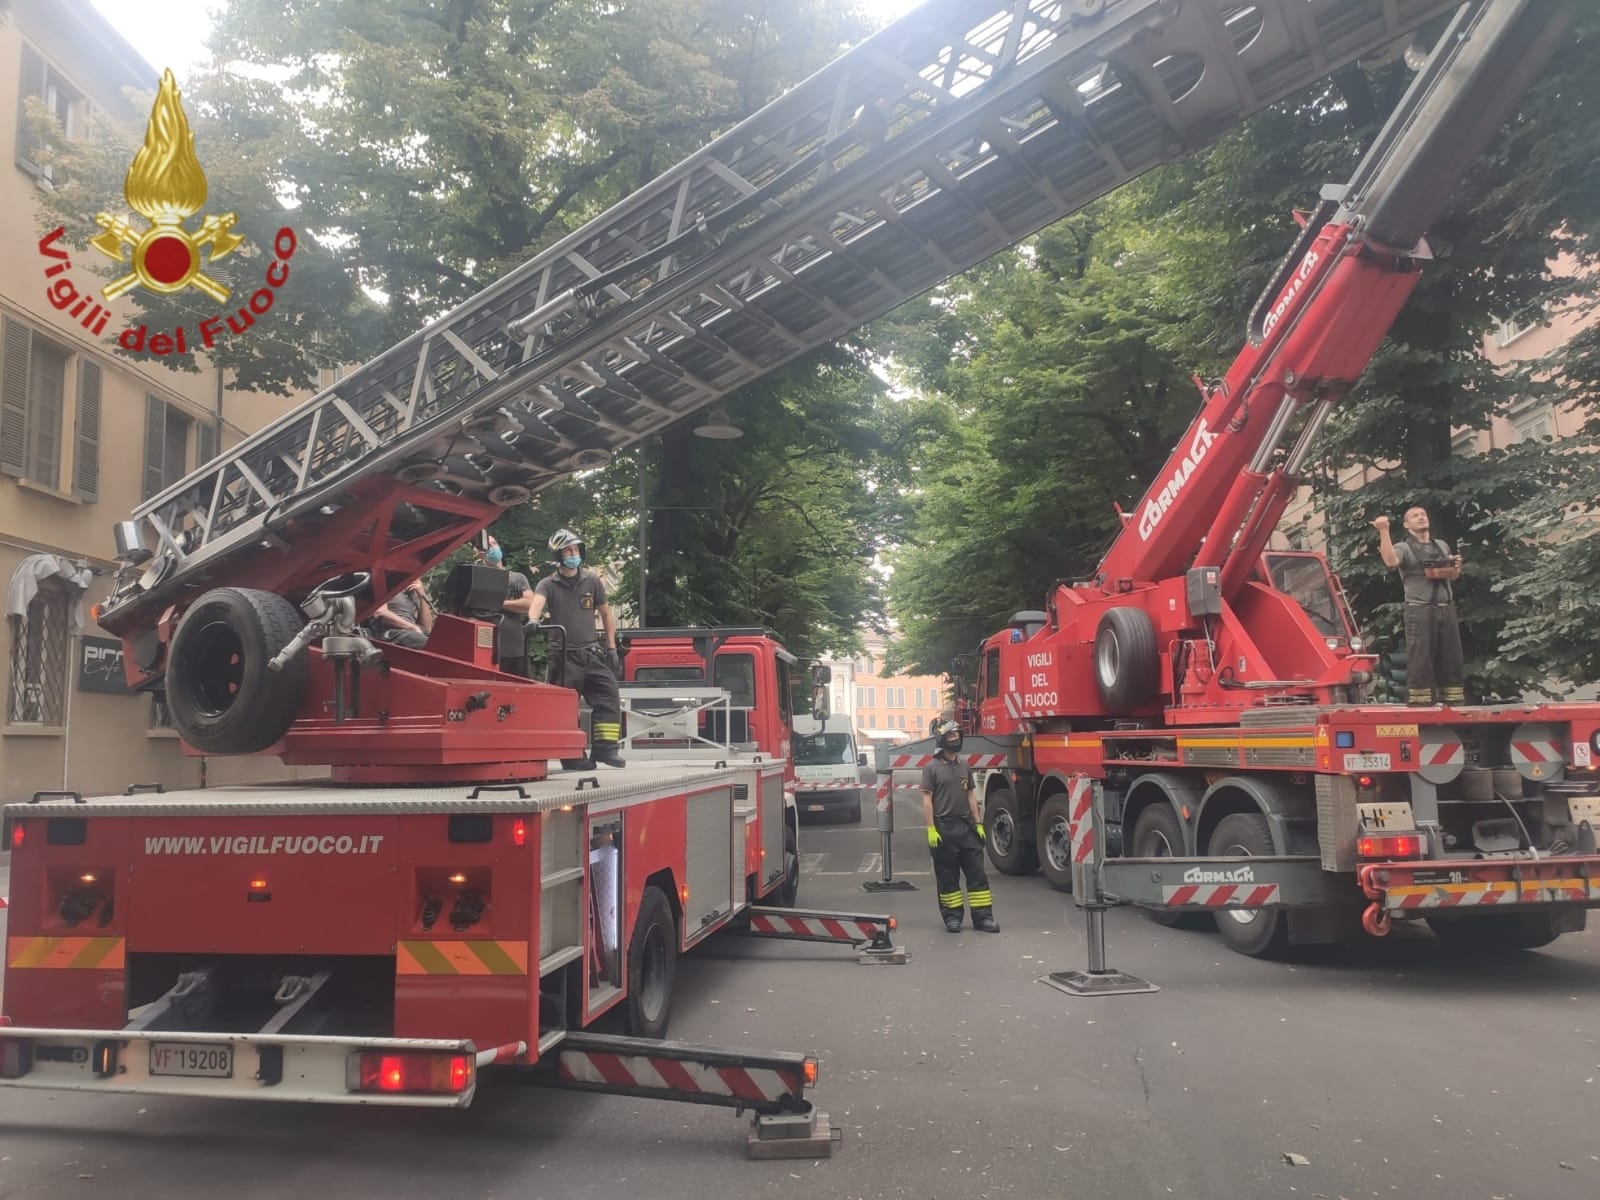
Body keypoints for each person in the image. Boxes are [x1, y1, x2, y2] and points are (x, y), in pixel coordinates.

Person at [527, 527, 625, 768]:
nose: (573, 553)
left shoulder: (591, 580)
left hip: (591, 653)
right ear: (558, 556)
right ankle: (571, 757)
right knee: (566, 709)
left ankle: (605, 750)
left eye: (575, 549)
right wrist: (532, 620)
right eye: (568, 550)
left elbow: (605, 612)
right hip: (563, 657)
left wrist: (611, 647)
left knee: (609, 695)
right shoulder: (547, 583)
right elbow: (536, 603)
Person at [1373, 506, 1465, 706]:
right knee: (1421, 659)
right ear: (1407, 525)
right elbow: (1390, 561)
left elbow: (1453, 576)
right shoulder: (1404, 548)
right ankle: (1421, 704)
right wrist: (1384, 531)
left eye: (1423, 514)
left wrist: (1456, 567)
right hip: (1419, 610)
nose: (1421, 517)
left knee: (1452, 658)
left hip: (1446, 609)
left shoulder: (1441, 545)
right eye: (1415, 516)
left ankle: (1453, 703)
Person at [920, 719, 998, 934]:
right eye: (951, 736)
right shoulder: (931, 768)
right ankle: (952, 917)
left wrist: (979, 824)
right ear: (942, 740)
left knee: (977, 875)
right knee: (947, 877)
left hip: (966, 827)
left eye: (957, 736)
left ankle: (983, 919)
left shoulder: (964, 766)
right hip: (944, 828)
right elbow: (927, 799)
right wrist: (931, 829)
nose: (956, 739)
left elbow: (971, 795)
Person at [371, 579, 434, 648]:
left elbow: (427, 628)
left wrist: (422, 596)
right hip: (389, 631)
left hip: (411, 633)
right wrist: (413, 627)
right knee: (426, 643)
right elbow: (380, 612)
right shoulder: (386, 583)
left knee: (439, 643)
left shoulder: (414, 591)